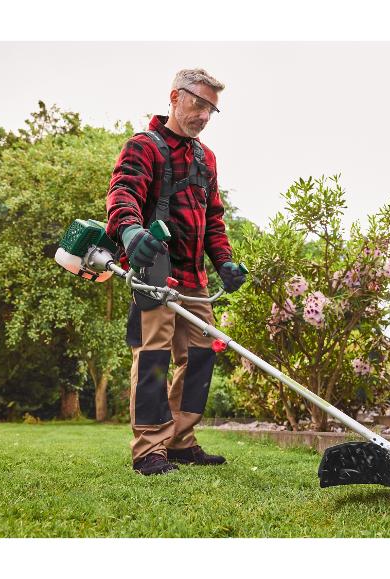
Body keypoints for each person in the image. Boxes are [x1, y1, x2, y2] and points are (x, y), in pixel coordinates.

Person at [105, 68, 246, 475]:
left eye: (211, 109)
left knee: (202, 358)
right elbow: (123, 193)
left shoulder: (207, 158)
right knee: (152, 359)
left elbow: (213, 219)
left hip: (195, 281)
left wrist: (224, 263)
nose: (204, 114)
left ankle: (181, 441)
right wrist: (132, 233)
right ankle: (150, 448)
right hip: (154, 272)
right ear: (174, 96)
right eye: (198, 103)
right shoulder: (143, 146)